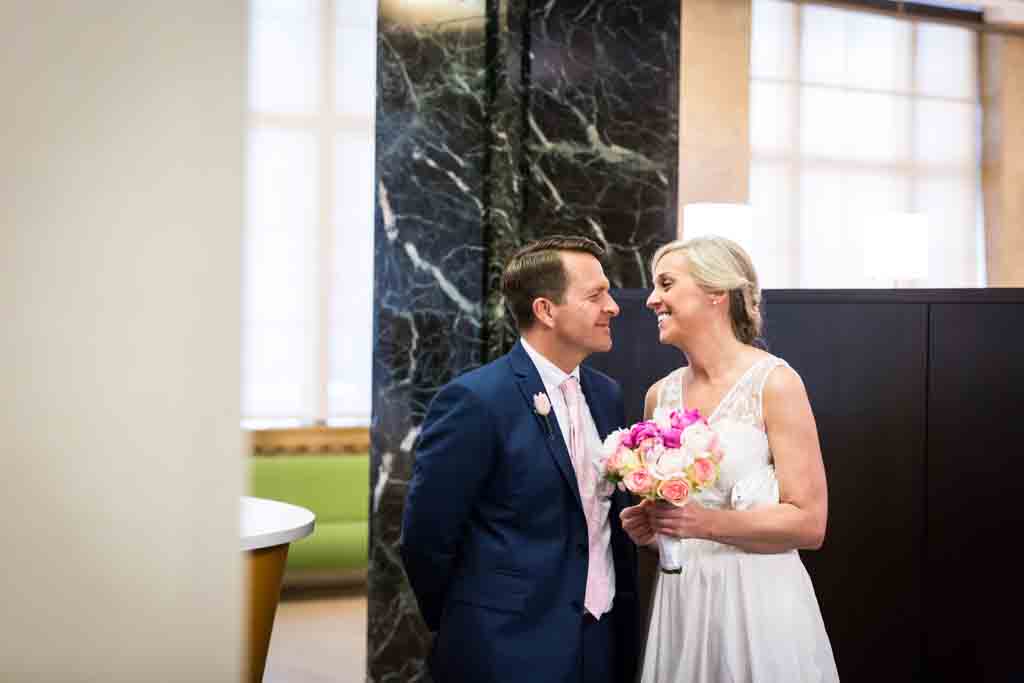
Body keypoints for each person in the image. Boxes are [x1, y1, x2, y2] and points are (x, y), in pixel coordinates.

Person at [401, 236, 639, 683]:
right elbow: (426, 538)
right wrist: (468, 621)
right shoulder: (475, 401)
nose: (613, 306)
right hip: (507, 644)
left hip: (602, 638)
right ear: (546, 310)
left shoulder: (607, 396)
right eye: (595, 295)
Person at [620, 236, 839, 682]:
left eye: (666, 284)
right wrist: (652, 528)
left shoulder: (775, 383)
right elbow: (675, 519)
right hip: (684, 598)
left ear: (715, 293)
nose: (651, 299)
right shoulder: (659, 396)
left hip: (757, 601)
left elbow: (810, 524)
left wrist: (703, 524)